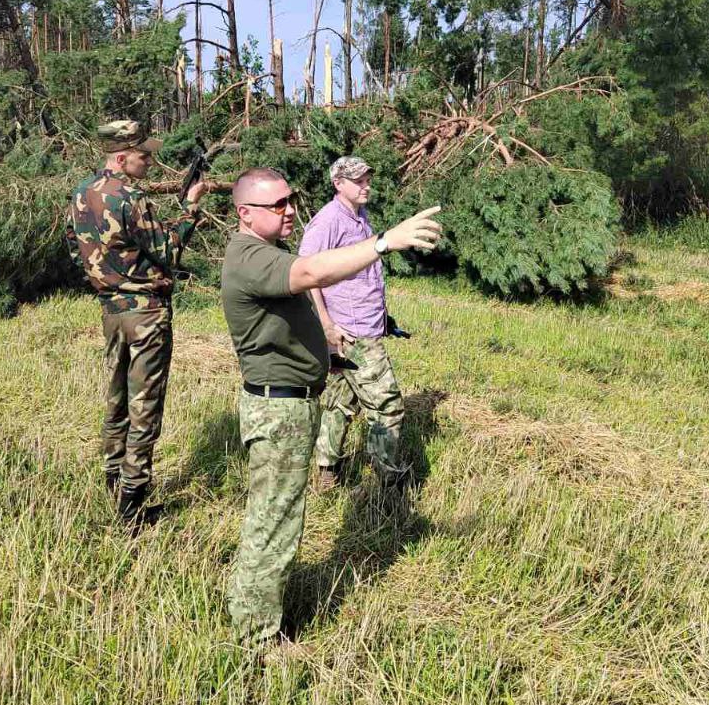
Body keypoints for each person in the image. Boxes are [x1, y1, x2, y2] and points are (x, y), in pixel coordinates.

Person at [220, 167, 441, 644]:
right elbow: (311, 270)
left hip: (291, 404)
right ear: (245, 213)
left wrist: (327, 348)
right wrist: (385, 242)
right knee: (273, 525)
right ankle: (255, 637)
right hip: (277, 413)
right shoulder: (248, 256)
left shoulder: (262, 252)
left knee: (278, 520)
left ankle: (252, 611)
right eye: (277, 204)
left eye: (290, 200)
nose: (290, 210)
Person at [67, 119, 208, 525]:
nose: (149, 161)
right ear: (122, 156)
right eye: (144, 155)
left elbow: (75, 250)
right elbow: (169, 250)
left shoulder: (82, 193)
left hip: (111, 310)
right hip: (145, 312)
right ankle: (133, 502)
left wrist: (107, 279)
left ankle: (113, 478)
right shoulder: (130, 197)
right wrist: (191, 208)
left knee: (116, 397)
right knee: (145, 403)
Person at [299, 156, 407, 491]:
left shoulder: (360, 216)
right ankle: (387, 481)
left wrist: (383, 318)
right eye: (358, 180)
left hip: (362, 325)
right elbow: (307, 274)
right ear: (338, 183)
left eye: (367, 179)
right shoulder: (327, 221)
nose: (366, 185)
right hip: (351, 332)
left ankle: (326, 470)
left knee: (339, 404)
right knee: (388, 405)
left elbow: (363, 274)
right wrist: (327, 325)